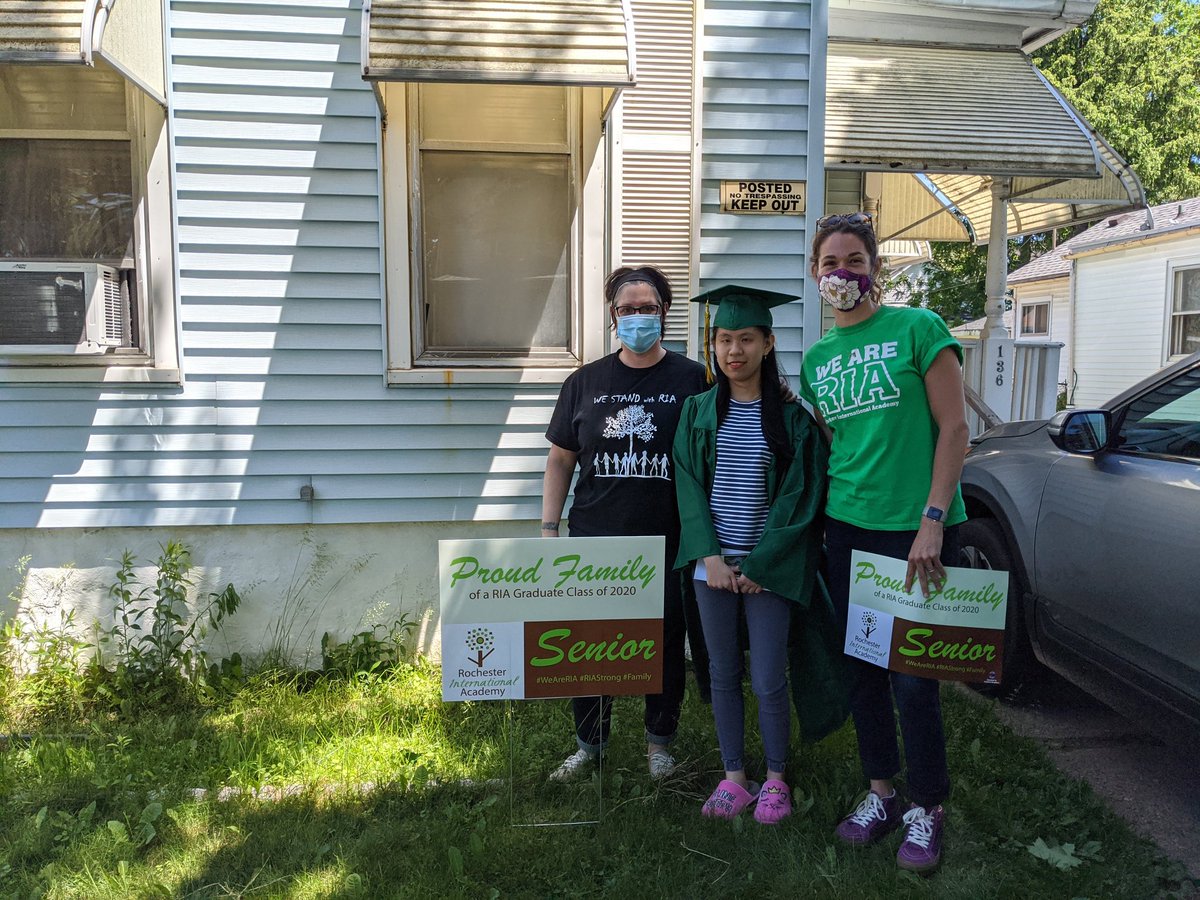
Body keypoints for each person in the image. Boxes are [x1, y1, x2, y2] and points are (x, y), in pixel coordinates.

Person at [799, 212, 970, 872]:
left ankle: (929, 806)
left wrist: (933, 519)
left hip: (914, 530)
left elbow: (954, 430)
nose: (841, 273)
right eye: (829, 263)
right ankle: (882, 794)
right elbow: (839, 440)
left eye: (854, 261)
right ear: (816, 275)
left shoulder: (919, 330)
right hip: (848, 529)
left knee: (914, 679)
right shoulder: (818, 361)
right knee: (864, 670)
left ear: (875, 268)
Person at [541, 265, 708, 782]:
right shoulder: (584, 381)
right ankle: (589, 745)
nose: (638, 316)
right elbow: (561, 460)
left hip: (668, 538)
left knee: (662, 641)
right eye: (627, 308)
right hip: (595, 539)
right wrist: (549, 531)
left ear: (665, 312)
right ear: (613, 316)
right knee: (589, 645)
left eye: (648, 307)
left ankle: (659, 746)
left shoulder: (692, 378)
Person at [673, 285, 830, 824]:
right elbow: (688, 487)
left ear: (767, 343)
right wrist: (710, 557)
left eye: (745, 339)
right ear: (712, 347)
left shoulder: (793, 421)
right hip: (710, 566)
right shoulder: (696, 411)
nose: (733, 350)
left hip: (770, 568)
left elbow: (801, 498)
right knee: (720, 672)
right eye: (723, 339)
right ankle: (735, 776)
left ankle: (777, 778)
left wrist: (761, 564)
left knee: (767, 675)